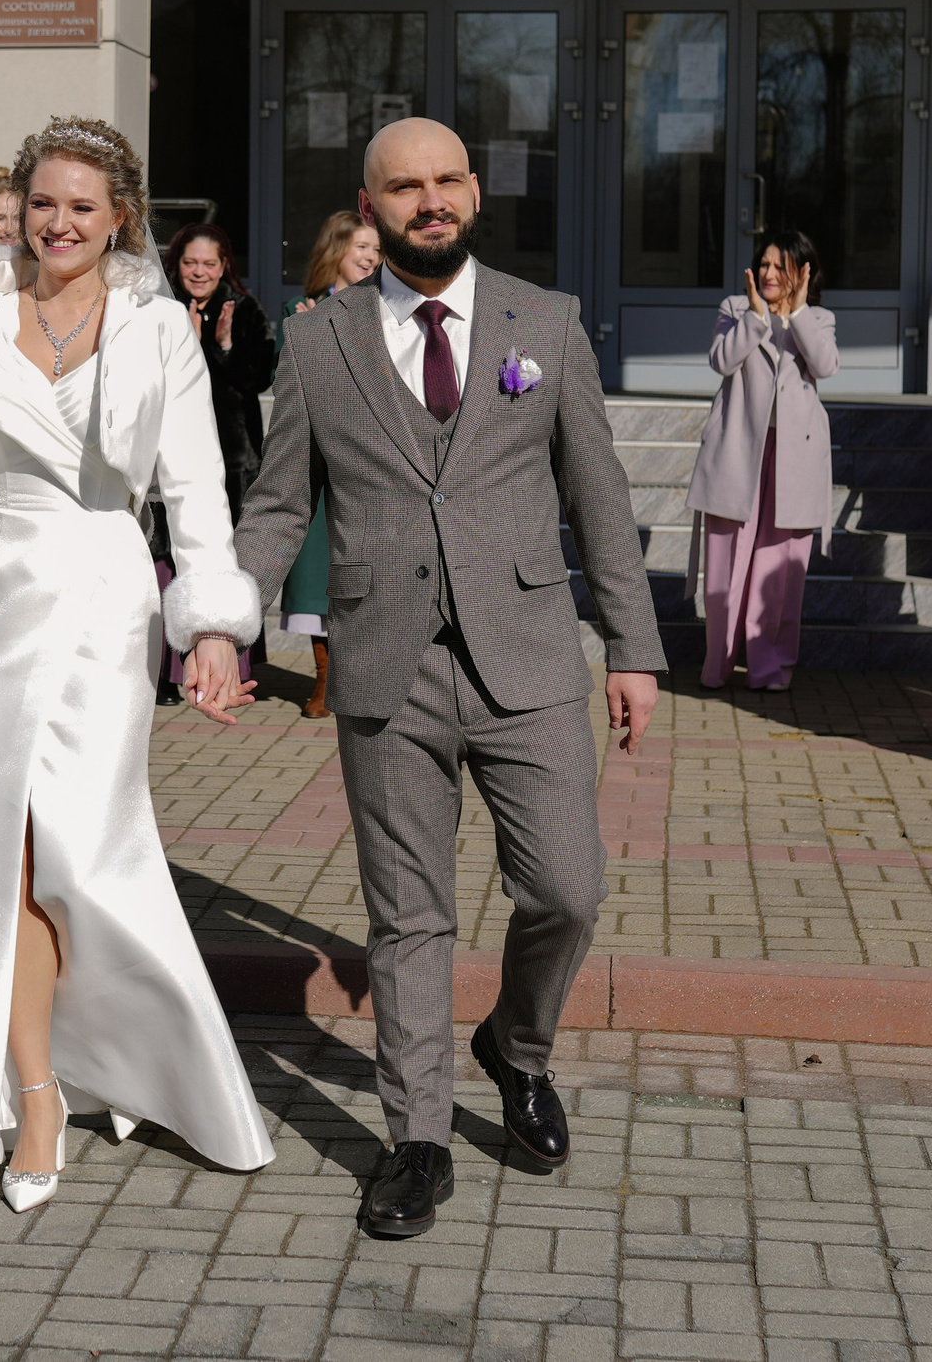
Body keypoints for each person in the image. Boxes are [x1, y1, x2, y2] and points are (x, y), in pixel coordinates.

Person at [235, 117, 663, 1239]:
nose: (428, 201)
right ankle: (416, 1138)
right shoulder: (320, 339)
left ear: (472, 191)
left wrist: (633, 647)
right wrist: (223, 619)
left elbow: (599, 495)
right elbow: (282, 502)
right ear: (369, 205)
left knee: (567, 889)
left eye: (444, 181)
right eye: (402, 187)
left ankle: (515, 1048)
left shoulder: (546, 323)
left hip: (525, 652)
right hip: (383, 660)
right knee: (408, 921)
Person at [0, 116, 275, 1212]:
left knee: (85, 855)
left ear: (119, 219)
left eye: (81, 208)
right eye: (42, 203)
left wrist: (209, 628)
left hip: (106, 593)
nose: (57, 223)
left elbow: (195, 492)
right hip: (3, 592)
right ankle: (34, 1093)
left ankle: (154, 1059)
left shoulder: (157, 329)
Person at [687, 230, 837, 692]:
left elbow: (826, 365)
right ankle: (718, 665)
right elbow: (721, 360)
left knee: (779, 575)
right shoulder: (735, 309)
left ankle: (768, 670)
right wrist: (756, 318)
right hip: (738, 452)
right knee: (725, 567)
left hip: (794, 459)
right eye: (764, 264)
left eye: (781, 266)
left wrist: (798, 312)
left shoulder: (818, 317)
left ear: (801, 272)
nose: (770, 274)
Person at [277, 210, 380, 718]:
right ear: (336, 250)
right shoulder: (299, 311)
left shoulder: (386, 310)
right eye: (361, 246)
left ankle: (357, 677)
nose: (370, 257)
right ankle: (323, 679)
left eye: (377, 250)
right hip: (316, 459)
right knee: (315, 572)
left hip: (367, 461)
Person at [164, 223, 277, 520]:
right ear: (177, 262)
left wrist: (224, 345)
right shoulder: (162, 308)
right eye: (190, 263)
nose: (199, 272)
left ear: (223, 265)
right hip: (172, 452)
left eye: (209, 264)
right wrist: (189, 344)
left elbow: (261, 379)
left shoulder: (244, 309)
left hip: (234, 457)